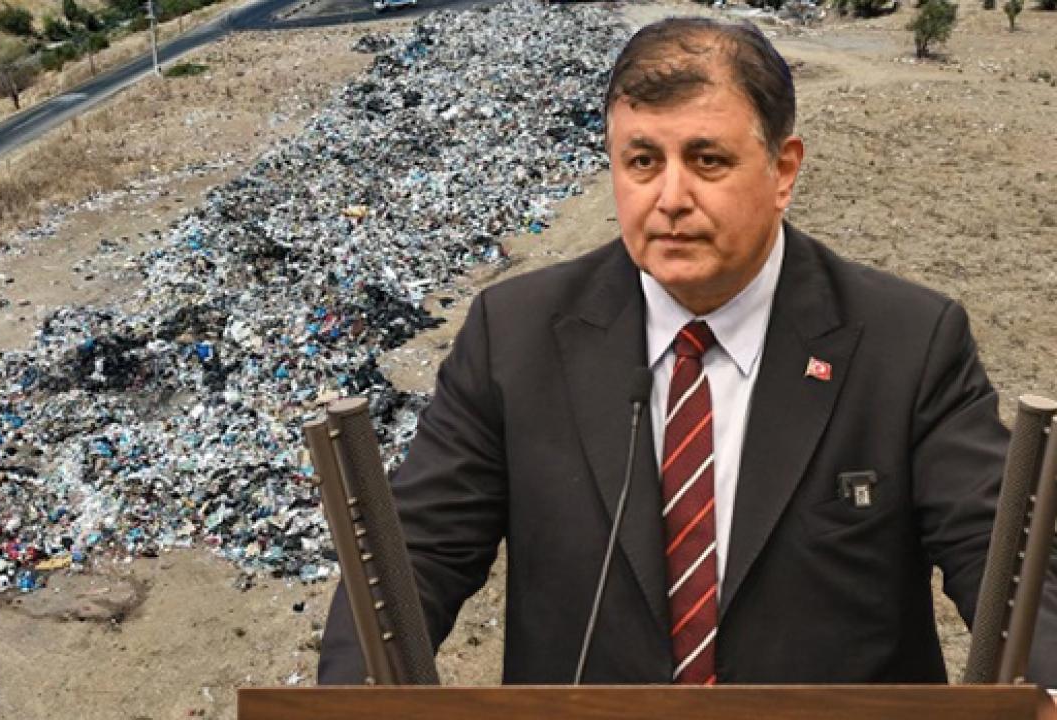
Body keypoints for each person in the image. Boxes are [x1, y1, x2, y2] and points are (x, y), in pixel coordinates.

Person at [318, 17, 1057, 687]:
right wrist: (354, 698)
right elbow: (414, 558)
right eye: (643, 161)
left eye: (706, 160)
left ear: (783, 171)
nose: (670, 197)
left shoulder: (909, 342)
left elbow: (1008, 566)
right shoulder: (513, 335)